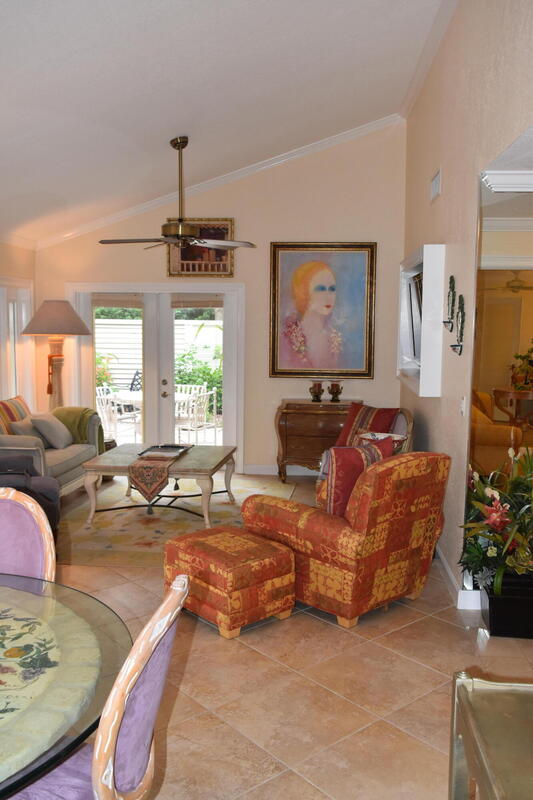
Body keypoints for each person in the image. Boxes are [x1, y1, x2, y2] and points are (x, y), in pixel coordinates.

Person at [280, 261, 342, 369]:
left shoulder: (334, 340)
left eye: (332, 289)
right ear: (304, 291)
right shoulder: (286, 339)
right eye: (320, 289)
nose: (329, 296)